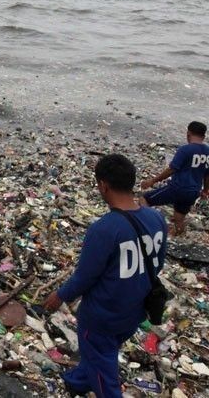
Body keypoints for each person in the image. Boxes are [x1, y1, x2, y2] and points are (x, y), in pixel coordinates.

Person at [44, 154, 167, 398]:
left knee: (103, 367)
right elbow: (158, 263)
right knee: (100, 352)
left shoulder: (104, 229)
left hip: (103, 316)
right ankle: (78, 381)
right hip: (136, 310)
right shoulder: (156, 219)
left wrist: (59, 295)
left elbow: (84, 278)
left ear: (103, 185)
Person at [140, 121, 209, 236]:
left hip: (177, 188)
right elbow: (207, 176)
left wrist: (152, 180)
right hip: (193, 192)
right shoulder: (208, 152)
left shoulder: (185, 150)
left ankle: (150, 229)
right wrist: (205, 191)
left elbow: (172, 169)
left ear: (188, 133)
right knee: (179, 219)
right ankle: (176, 239)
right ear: (204, 136)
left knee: (144, 200)